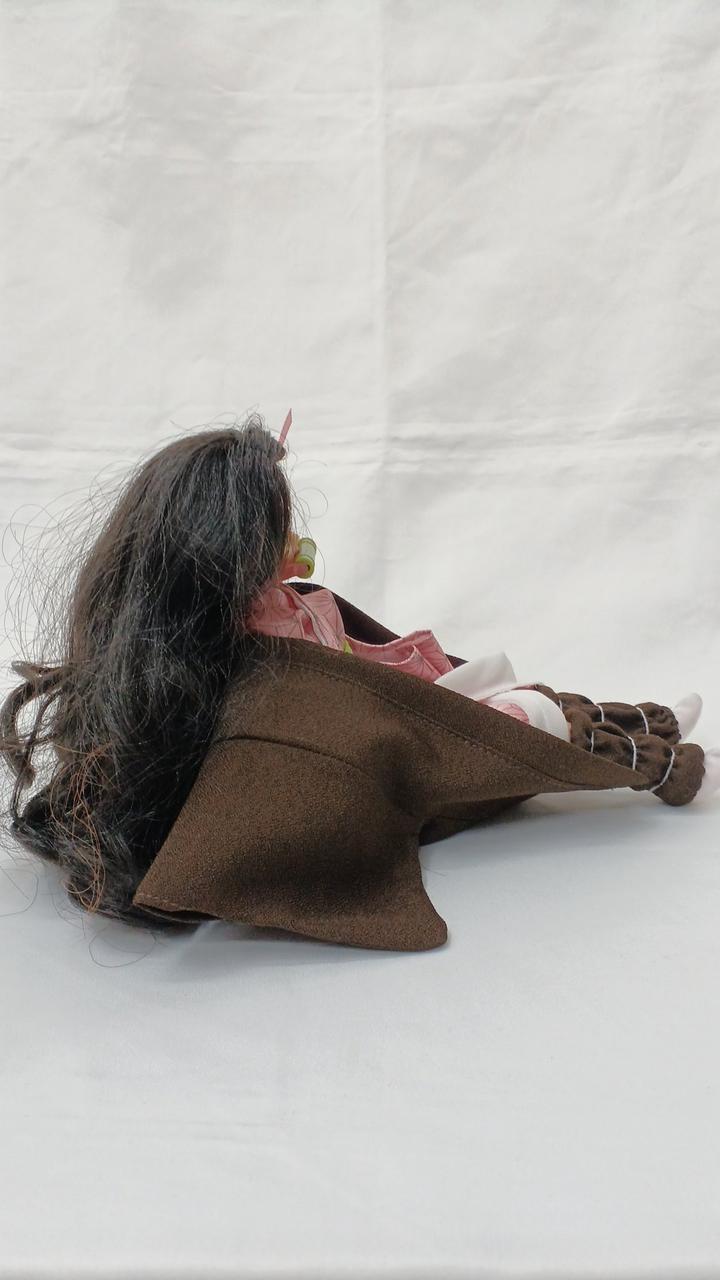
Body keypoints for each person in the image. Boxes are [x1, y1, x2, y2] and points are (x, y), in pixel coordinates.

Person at [0, 409, 717, 934]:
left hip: (396, 701)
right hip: (388, 746)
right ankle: (650, 762)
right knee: (527, 718)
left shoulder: (279, 608)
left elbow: (349, 650)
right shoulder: (237, 659)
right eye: (279, 538)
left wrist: (393, 668)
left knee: (517, 692)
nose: (295, 550)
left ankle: (643, 721)